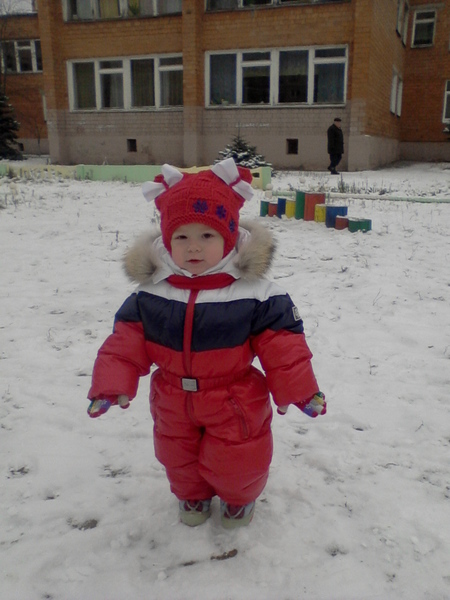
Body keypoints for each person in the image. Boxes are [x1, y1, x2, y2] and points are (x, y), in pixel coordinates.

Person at [87, 157, 326, 529]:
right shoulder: (151, 293)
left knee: (238, 459)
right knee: (176, 456)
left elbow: (283, 345)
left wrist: (299, 390)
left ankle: (238, 500)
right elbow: (125, 341)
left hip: (233, 397)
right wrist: (110, 383)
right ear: (167, 239)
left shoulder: (256, 293)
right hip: (171, 398)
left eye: (207, 236)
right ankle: (192, 494)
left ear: (228, 237)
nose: (193, 248)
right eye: (182, 237)